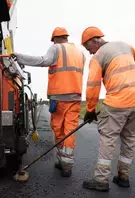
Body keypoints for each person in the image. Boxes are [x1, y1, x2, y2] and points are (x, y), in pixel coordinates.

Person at [11, 27, 86, 177]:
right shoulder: (80, 52)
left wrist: (19, 57)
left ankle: (62, 161)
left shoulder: (56, 48)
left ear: (56, 39)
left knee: (58, 128)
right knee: (70, 129)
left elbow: (44, 61)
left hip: (59, 96)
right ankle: (66, 163)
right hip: (76, 96)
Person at [81, 26, 135, 192]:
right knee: (129, 138)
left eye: (87, 47)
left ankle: (101, 180)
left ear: (94, 40)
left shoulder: (98, 56)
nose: (89, 52)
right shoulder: (126, 46)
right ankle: (123, 176)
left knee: (108, 139)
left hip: (117, 102)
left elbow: (93, 86)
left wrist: (90, 109)